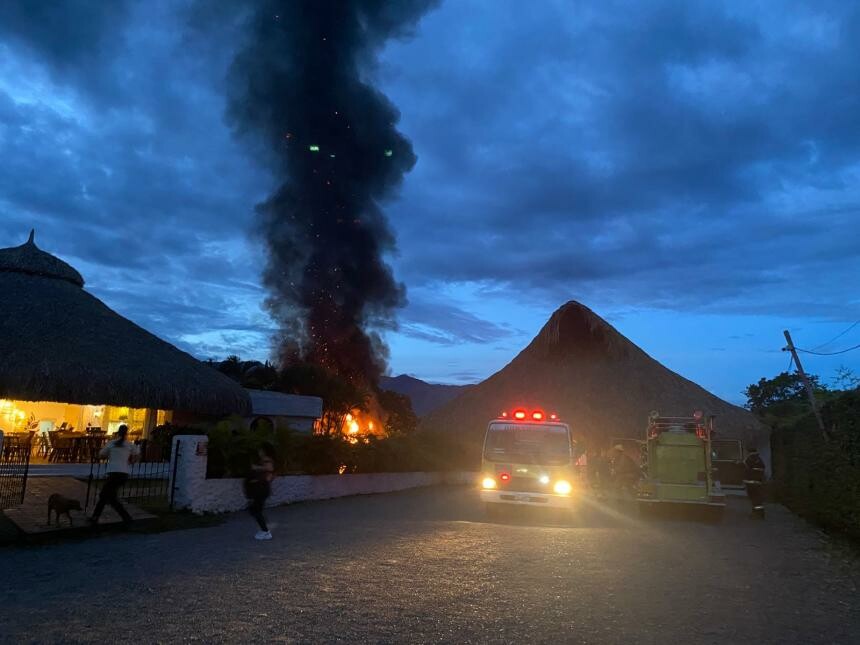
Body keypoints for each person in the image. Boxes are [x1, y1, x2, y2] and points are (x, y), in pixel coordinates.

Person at [89, 424, 139, 526]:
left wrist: (109, 456)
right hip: (123, 473)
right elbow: (137, 454)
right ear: (126, 433)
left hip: (113, 473)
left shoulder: (111, 444)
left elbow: (101, 454)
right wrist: (131, 460)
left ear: (117, 432)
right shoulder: (129, 444)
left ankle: (126, 518)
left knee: (105, 495)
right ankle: (125, 519)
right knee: (109, 497)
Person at [245, 442, 275, 541]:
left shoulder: (267, 460)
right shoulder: (262, 460)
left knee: (256, 510)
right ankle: (264, 528)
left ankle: (266, 531)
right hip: (261, 489)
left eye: (260, 450)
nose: (259, 452)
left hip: (262, 490)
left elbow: (269, 469)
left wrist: (257, 468)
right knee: (256, 510)